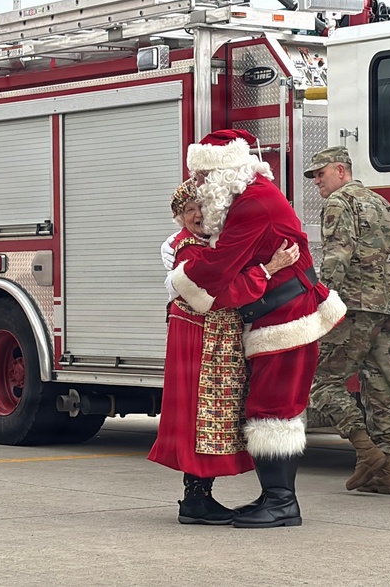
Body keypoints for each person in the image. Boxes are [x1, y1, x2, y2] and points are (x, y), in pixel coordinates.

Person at [168, 129, 346, 528]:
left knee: (274, 410)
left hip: (287, 317)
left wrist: (181, 276)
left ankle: (282, 503)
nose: (196, 187)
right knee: (269, 407)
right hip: (279, 314)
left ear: (220, 174)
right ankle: (273, 497)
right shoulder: (252, 195)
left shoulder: (252, 203)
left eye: (200, 178)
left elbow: (218, 267)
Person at [148, 179, 300, 525]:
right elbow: (222, 292)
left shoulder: (207, 243)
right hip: (202, 339)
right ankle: (196, 500)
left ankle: (198, 497)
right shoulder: (189, 249)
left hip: (211, 337)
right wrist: (270, 269)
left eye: (202, 206)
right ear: (179, 217)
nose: (198, 215)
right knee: (201, 413)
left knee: (208, 415)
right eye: (190, 210)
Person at [304, 146, 390, 495]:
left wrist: (322, 303)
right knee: (379, 383)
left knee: (323, 381)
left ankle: (367, 452)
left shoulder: (339, 202)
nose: (316, 180)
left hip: (355, 306)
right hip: (388, 307)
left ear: (340, 169)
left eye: (320, 173)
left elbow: (337, 255)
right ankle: (387, 471)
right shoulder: (385, 204)